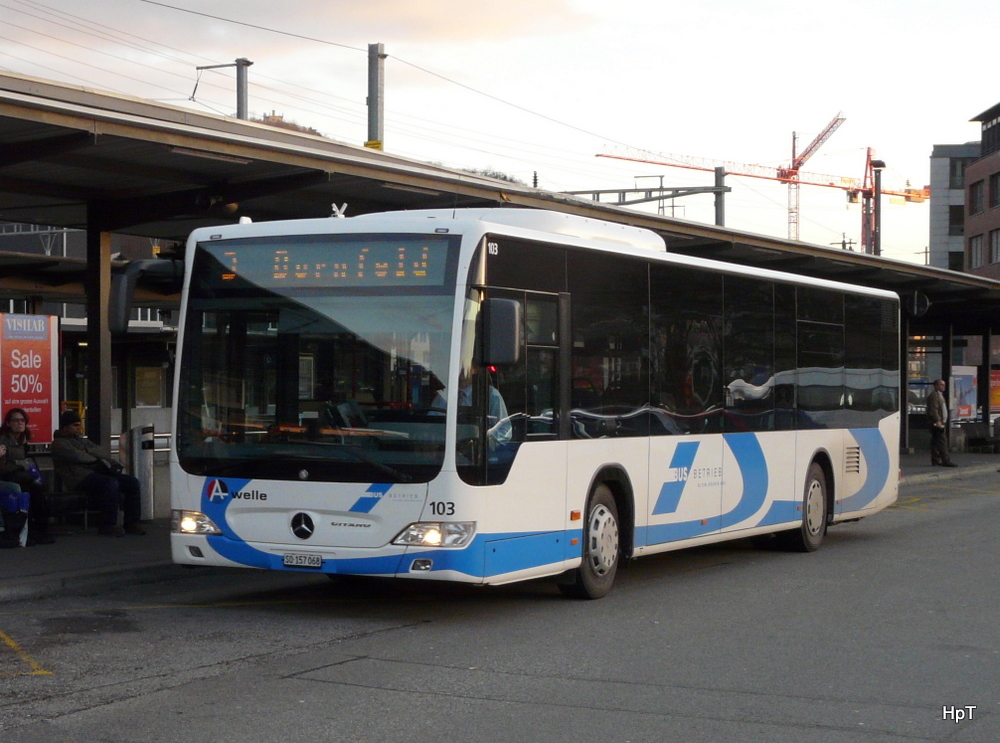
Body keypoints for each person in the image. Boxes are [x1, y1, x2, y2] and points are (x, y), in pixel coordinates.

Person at [51, 410, 146, 536]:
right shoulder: (58, 443)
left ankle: (132, 522)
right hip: (78, 478)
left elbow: (102, 451)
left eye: (79, 424)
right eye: (75, 425)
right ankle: (108, 524)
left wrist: (87, 451)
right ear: (65, 427)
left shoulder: (81, 441)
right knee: (110, 484)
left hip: (95, 473)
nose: (79, 428)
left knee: (131, 482)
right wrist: (91, 455)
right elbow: (78, 456)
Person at [0, 408, 55, 544]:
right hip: (8, 477)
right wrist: (20, 465)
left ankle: (40, 530)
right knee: (32, 491)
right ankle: (32, 532)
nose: (20, 423)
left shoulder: (23, 440)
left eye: (22, 420)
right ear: (8, 423)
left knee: (39, 491)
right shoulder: (4, 441)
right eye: (15, 420)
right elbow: (3, 468)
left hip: (21, 476)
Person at [926, 379, 957, 467]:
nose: (943, 386)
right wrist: (937, 421)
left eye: (944, 385)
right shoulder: (934, 396)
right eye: (941, 385)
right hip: (937, 422)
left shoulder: (940, 395)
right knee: (942, 441)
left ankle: (935, 460)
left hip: (941, 421)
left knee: (935, 441)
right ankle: (945, 460)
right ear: (936, 386)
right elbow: (934, 410)